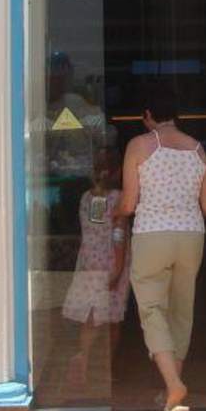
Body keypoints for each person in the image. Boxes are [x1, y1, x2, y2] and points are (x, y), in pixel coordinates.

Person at [118, 86, 206, 411]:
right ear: (177, 115)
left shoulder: (139, 146)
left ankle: (174, 385)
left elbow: (129, 203)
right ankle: (170, 394)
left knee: (152, 310)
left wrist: (114, 212)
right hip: (191, 235)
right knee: (181, 311)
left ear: (148, 116)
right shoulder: (198, 150)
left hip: (152, 234)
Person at [61, 146, 131, 387]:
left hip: (88, 261)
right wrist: (118, 268)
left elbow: (93, 228)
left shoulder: (87, 198)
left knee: (90, 317)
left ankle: (84, 358)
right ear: (119, 171)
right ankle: (105, 369)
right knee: (112, 319)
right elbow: (118, 235)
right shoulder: (119, 199)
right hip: (111, 262)